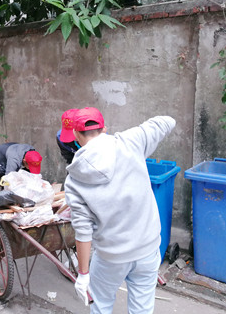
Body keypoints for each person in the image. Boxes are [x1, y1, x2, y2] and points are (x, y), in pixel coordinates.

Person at [64, 107, 175, 313]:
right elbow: (166, 120)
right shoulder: (131, 141)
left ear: (77, 136)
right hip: (148, 250)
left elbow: (83, 231)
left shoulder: (74, 180)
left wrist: (83, 274)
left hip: (110, 257)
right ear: (104, 129)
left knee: (101, 306)